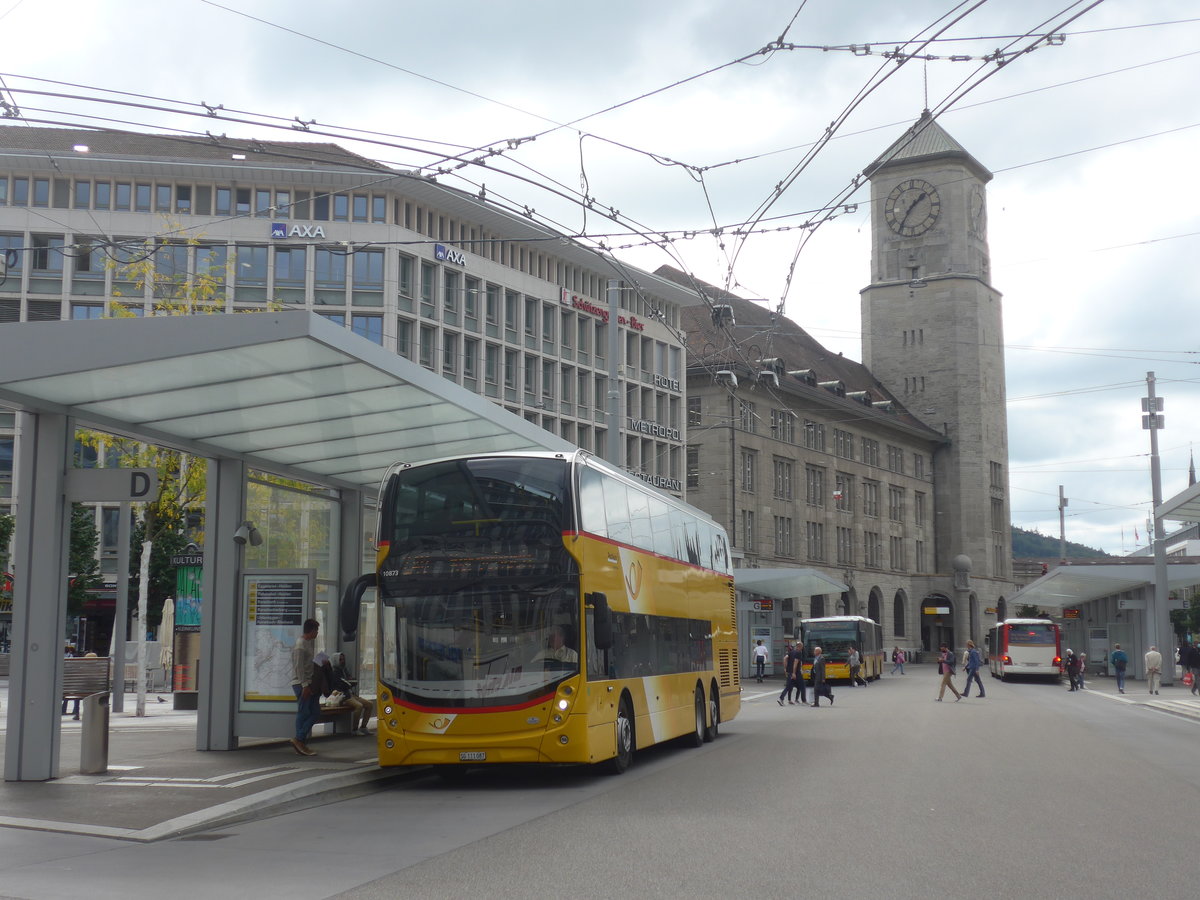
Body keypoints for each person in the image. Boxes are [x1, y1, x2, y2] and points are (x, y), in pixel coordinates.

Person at [290, 618, 321, 756]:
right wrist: (304, 685)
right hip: (302, 684)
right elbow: (299, 667)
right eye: (317, 630)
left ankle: (300, 739)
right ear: (312, 630)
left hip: (309, 683)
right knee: (303, 712)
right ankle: (299, 740)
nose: (317, 633)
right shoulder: (300, 645)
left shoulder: (308, 643)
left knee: (315, 712)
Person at [330, 651, 372, 735]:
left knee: (369, 704)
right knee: (359, 706)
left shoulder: (344, 670)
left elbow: (351, 680)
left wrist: (350, 682)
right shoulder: (335, 672)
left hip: (351, 694)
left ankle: (363, 727)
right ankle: (354, 729)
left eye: (343, 659)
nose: (342, 661)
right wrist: (350, 682)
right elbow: (345, 683)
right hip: (343, 696)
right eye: (340, 659)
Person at [777, 641, 798, 705]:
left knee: (790, 686)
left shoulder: (791, 653)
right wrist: (785, 668)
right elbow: (785, 658)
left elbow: (785, 658)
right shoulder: (795, 653)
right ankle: (781, 698)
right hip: (792, 672)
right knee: (789, 686)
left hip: (790, 671)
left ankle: (789, 700)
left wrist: (785, 668)